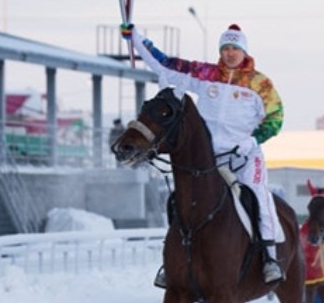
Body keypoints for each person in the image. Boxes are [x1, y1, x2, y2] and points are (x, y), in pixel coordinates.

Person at [121, 22, 284, 284]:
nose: (230, 53)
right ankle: (173, 260)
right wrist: (137, 40)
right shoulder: (206, 74)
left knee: (258, 194)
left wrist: (252, 142)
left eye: (235, 48)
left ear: (244, 51)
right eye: (226, 48)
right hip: (207, 157)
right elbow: (167, 65)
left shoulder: (260, 84)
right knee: (180, 199)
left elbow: (276, 118)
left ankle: (269, 257)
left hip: (244, 155)